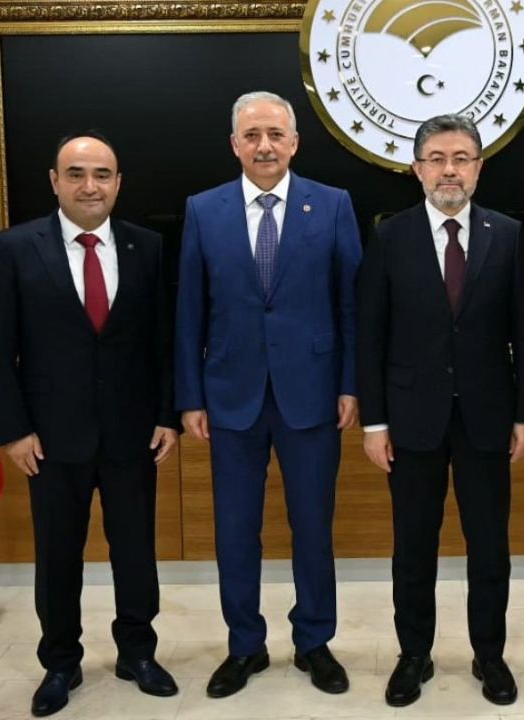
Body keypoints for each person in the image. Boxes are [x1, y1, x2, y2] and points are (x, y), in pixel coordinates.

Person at [0, 132, 180, 717]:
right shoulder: (16, 248)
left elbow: (164, 341)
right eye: (76, 174)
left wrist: (167, 415)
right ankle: (60, 662)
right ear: (54, 181)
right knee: (58, 556)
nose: (89, 186)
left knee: (136, 552)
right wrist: (13, 430)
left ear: (118, 183)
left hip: (132, 433)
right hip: (49, 437)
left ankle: (137, 653)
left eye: (101, 174)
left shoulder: (147, 246)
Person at [175, 91, 362, 699]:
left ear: (295, 143)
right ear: (235, 144)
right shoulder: (203, 210)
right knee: (235, 531)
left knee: (313, 526)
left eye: (276, 134)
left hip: (313, 394)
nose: (264, 146)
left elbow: (351, 304)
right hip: (231, 397)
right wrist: (190, 396)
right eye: (252, 135)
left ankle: (314, 641)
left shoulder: (333, 205)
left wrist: (350, 384)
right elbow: (189, 311)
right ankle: (244, 645)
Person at [356, 115, 524, 708]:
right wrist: (374, 422)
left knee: (489, 546)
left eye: (461, 158)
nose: (449, 170)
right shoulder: (390, 236)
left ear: (479, 168)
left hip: (489, 416)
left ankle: (490, 653)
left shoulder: (508, 235)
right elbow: (371, 335)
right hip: (411, 419)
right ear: (417, 169)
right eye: (436, 159)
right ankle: (414, 654)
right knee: (414, 546)